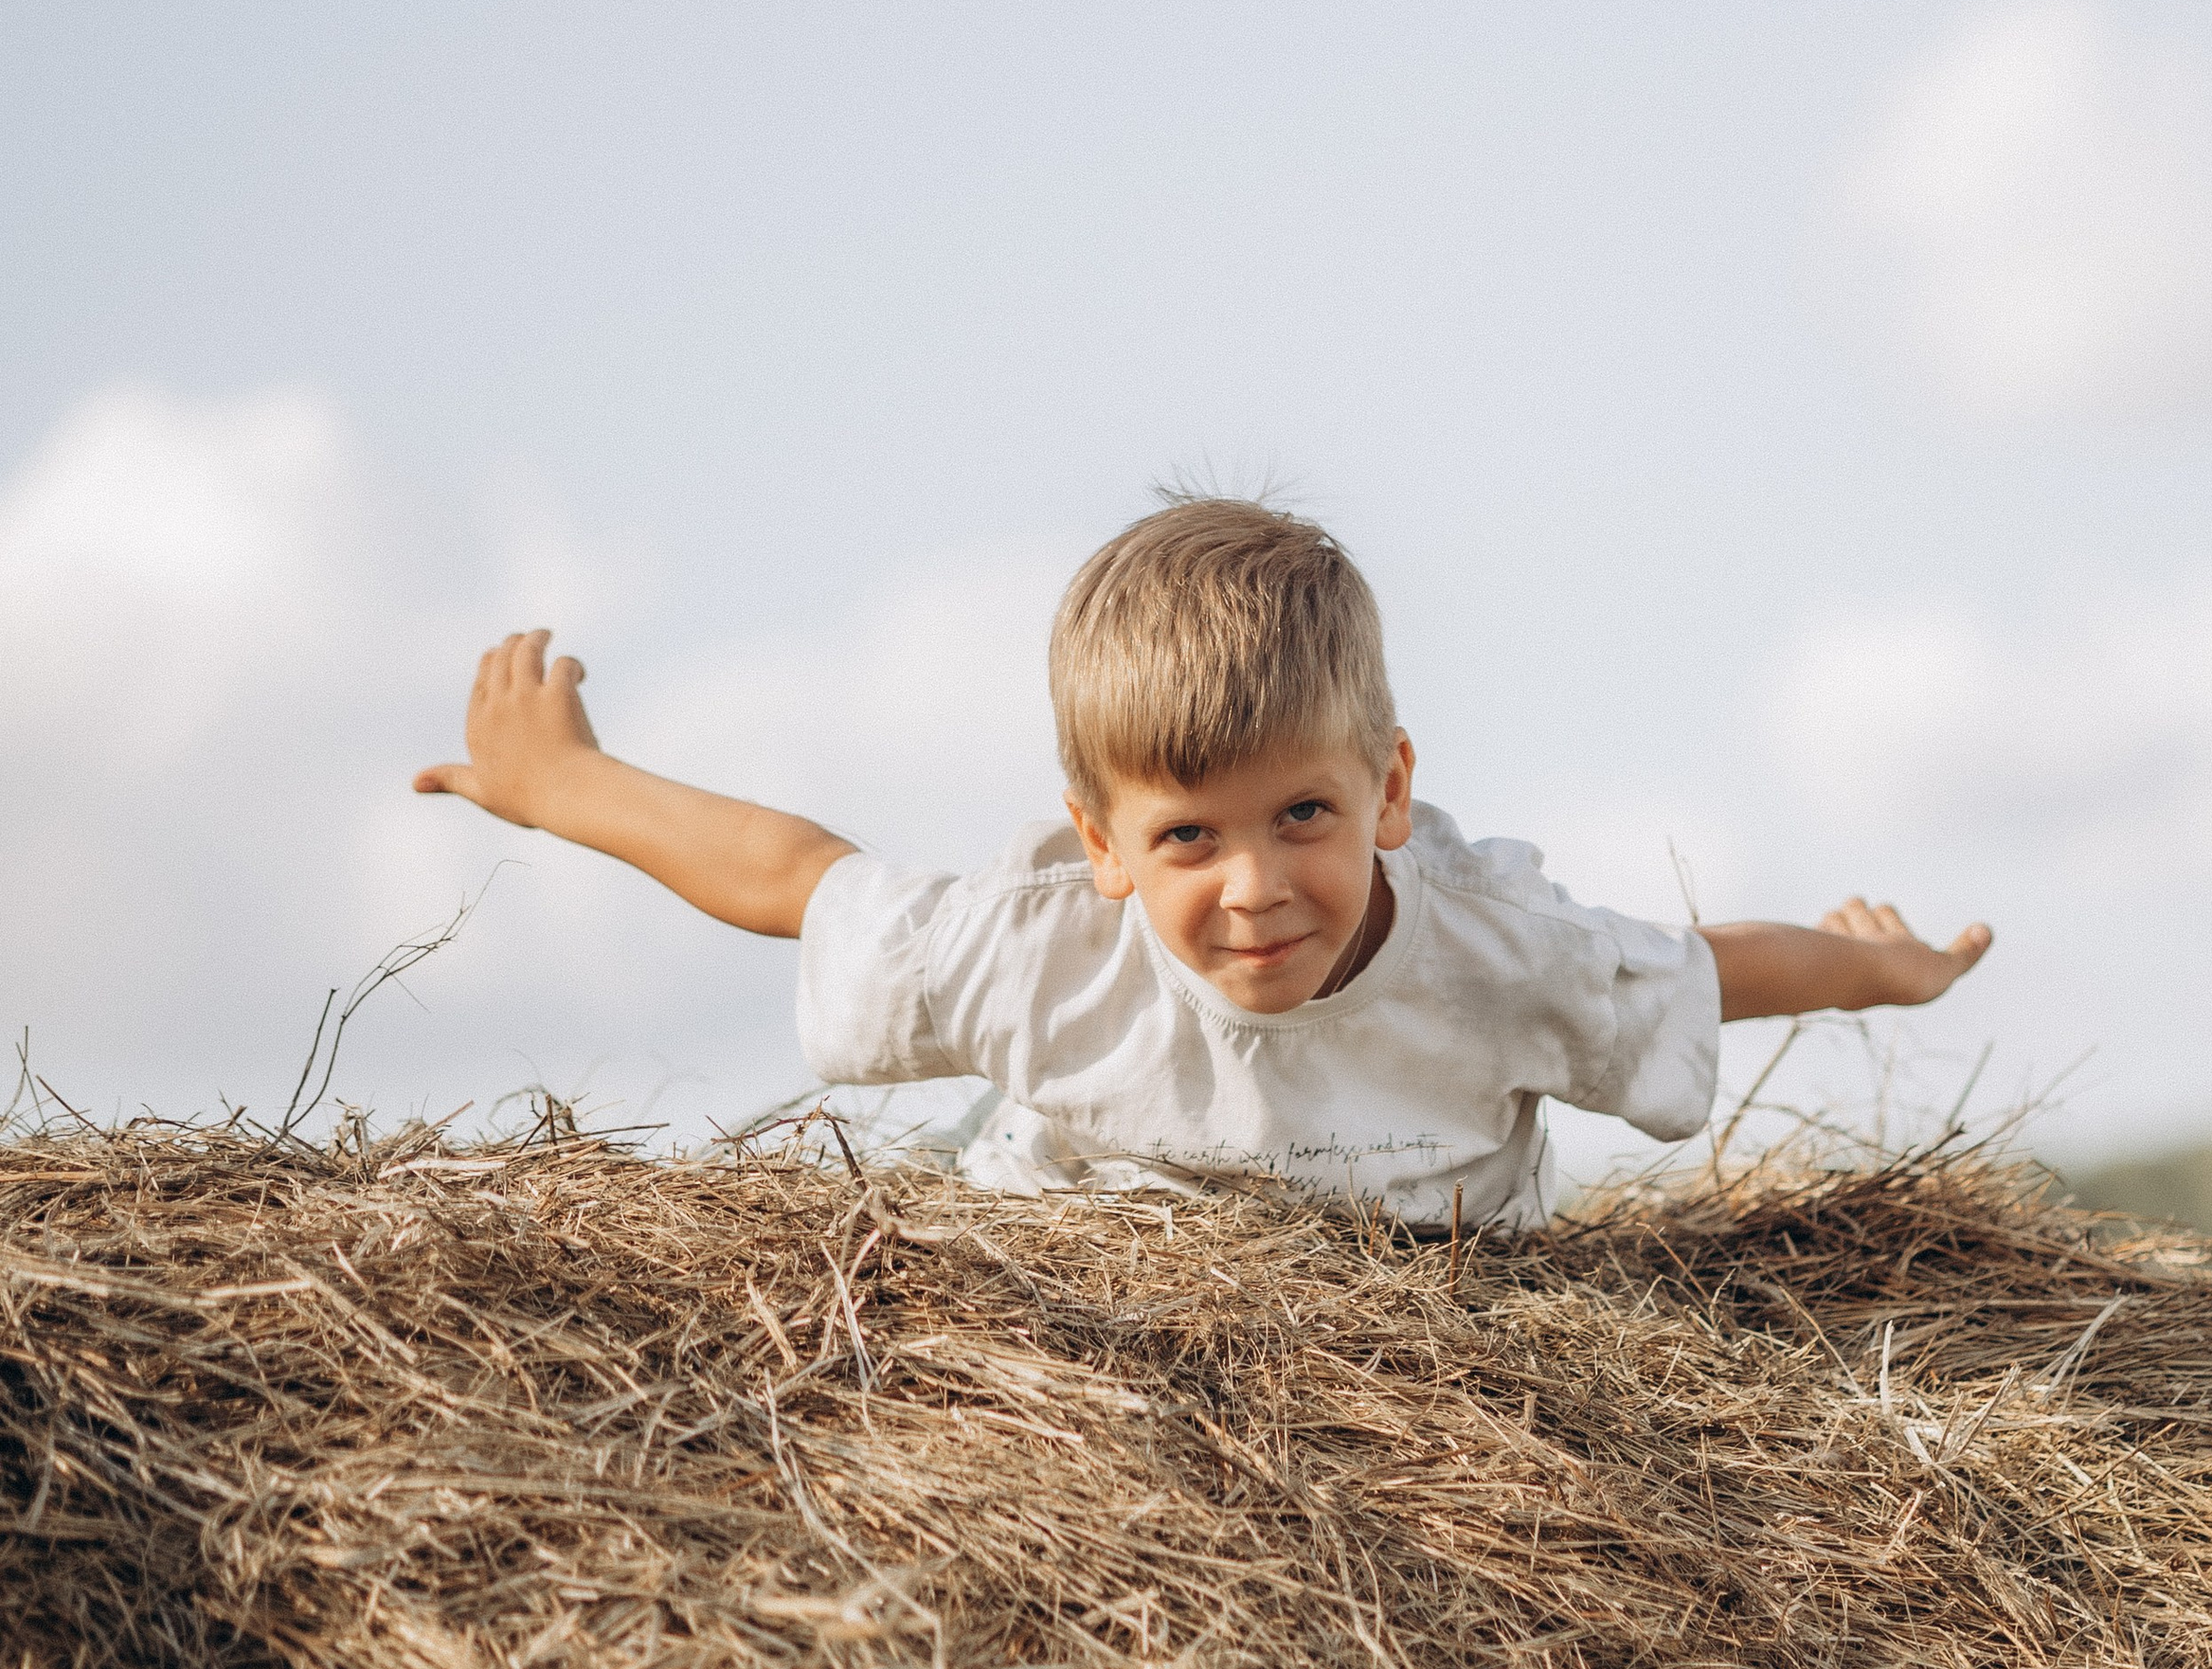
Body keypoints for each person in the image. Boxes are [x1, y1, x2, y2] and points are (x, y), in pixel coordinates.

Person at [414, 496, 1989, 1229]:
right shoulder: (1038, 945)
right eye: (1185, 836)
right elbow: (801, 879)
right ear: (1101, 845)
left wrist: (1885, 969)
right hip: (1068, 1297)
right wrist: (571, 785)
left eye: (1302, 815)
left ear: (1389, 791)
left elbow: (1706, 970)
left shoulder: (1497, 950)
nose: (1253, 888)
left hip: (1447, 1335)